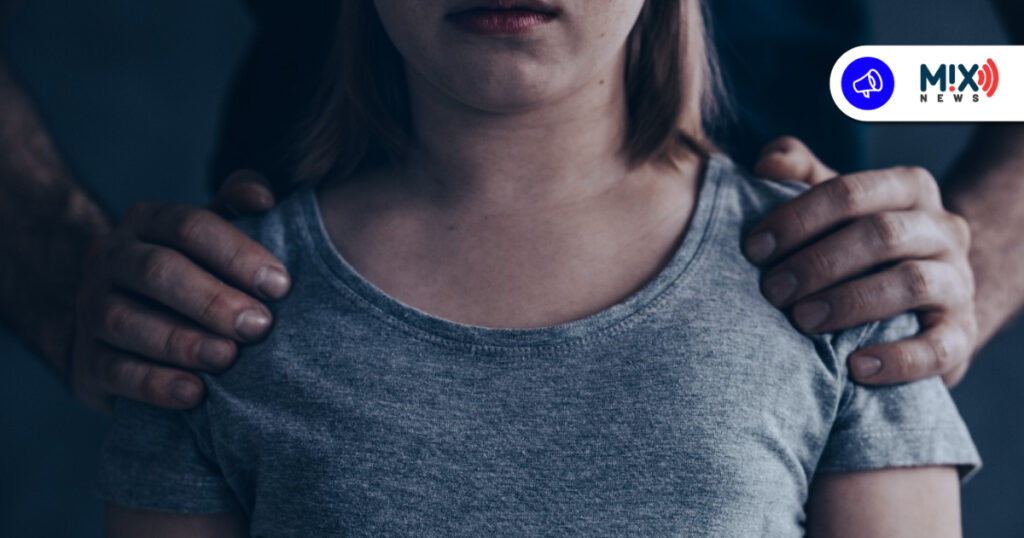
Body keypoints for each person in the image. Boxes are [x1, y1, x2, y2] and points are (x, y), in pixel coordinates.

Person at [98, 1, 979, 535]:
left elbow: (986, 77)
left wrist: (954, 264)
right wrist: (64, 267)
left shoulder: (844, 263)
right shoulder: (226, 319)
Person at [1, 0, 1016, 416]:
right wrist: (48, 256)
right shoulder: (241, 329)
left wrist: (968, 260)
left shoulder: (843, 328)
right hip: (272, 284)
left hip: (809, 286)